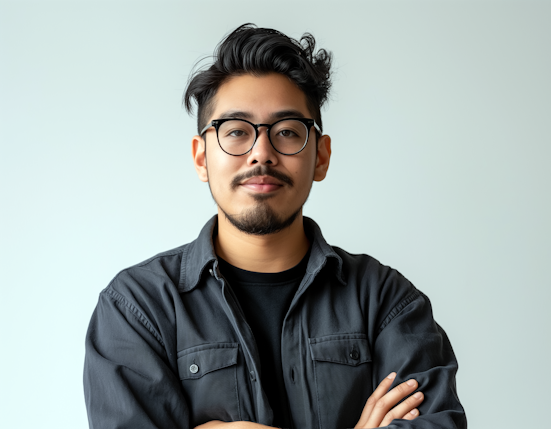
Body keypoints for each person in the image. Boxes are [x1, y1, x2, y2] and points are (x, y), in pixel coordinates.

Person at [83, 24, 466, 429]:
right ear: (201, 158)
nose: (261, 154)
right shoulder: (138, 309)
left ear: (320, 155)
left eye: (286, 132)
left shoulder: (386, 303)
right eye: (235, 132)